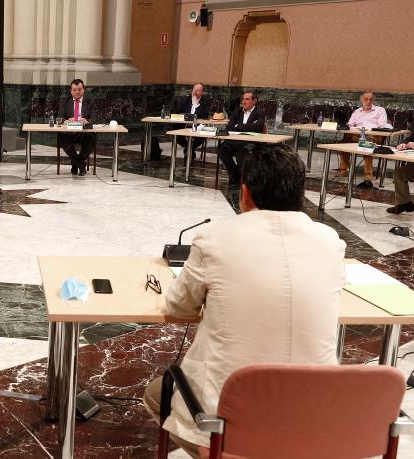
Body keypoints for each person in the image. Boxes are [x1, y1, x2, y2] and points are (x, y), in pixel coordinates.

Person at [143, 143, 344, 457]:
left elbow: (179, 307)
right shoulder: (330, 241)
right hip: (314, 419)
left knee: (157, 393)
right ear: (300, 193)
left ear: (245, 193)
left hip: (228, 421)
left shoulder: (214, 238)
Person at [337, 91, 391, 189]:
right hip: (357, 134)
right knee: (345, 140)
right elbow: (350, 125)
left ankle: (368, 174)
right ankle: (343, 170)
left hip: (373, 135)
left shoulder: (380, 110)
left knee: (367, 143)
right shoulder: (357, 111)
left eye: (370, 99)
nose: (368, 101)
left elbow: (382, 126)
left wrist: (368, 132)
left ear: (373, 100)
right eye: (366, 99)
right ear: (361, 100)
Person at [217, 91, 265, 186]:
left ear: (254, 101)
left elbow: (258, 126)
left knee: (242, 153)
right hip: (235, 141)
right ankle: (235, 176)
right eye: (243, 99)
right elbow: (229, 127)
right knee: (222, 149)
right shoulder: (237, 111)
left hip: (250, 142)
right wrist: (248, 126)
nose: (243, 102)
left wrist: (239, 125)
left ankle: (241, 178)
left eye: (247, 99)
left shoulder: (259, 112)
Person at [57, 79, 98, 176]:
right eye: (74, 90)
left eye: (79, 89)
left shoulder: (90, 101)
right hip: (70, 131)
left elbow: (94, 117)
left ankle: (76, 164)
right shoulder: (64, 101)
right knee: (64, 138)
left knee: (91, 139)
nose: (77, 92)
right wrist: (66, 121)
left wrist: (87, 121)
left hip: (84, 131)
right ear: (71, 90)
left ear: (84, 89)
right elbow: (60, 117)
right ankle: (81, 164)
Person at [171, 83, 211, 162]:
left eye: (198, 90)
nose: (195, 92)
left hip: (198, 127)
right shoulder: (185, 100)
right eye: (194, 90)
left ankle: (188, 150)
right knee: (176, 135)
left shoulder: (205, 101)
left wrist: (196, 103)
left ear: (202, 92)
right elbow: (176, 111)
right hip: (183, 126)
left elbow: (205, 115)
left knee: (202, 136)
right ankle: (189, 149)